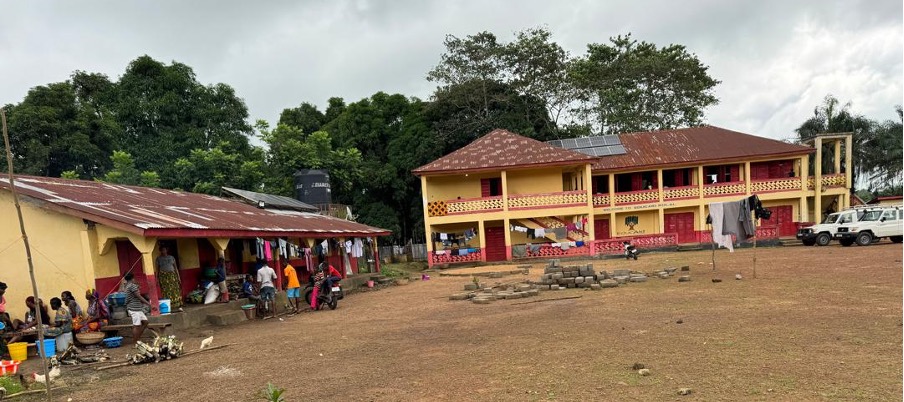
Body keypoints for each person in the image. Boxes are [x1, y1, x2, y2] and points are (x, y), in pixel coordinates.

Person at [124, 272, 153, 341]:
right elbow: (139, 296)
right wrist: (148, 303)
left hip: (137, 308)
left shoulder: (128, 286)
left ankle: (137, 338)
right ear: (132, 278)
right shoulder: (132, 286)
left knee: (145, 322)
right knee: (136, 326)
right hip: (134, 308)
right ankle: (135, 341)